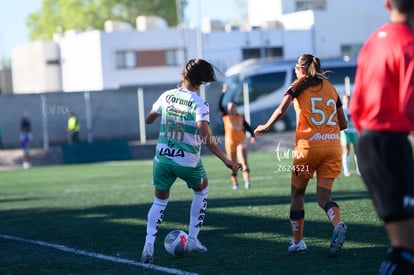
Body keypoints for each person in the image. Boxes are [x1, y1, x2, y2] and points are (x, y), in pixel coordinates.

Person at [140, 58, 241, 264]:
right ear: (201, 81)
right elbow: (204, 134)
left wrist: (154, 117)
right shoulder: (199, 103)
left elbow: (149, 118)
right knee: (201, 189)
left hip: (162, 158)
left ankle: (148, 244)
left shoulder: (166, 96)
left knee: (159, 201)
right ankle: (193, 239)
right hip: (187, 161)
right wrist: (226, 160)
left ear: (182, 75)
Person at [254, 54, 348, 256]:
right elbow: (344, 124)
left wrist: (266, 126)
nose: (296, 72)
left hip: (307, 149)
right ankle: (338, 223)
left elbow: (281, 109)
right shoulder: (330, 88)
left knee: (297, 195)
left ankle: (298, 242)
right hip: (332, 149)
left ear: (302, 70)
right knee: (324, 197)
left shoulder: (297, 85)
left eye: (296, 69)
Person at [349, 0, 414, 273]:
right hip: (390, 147)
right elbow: (409, 107)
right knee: (405, 251)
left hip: (371, 145)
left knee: (405, 247)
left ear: (388, 4)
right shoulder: (409, 43)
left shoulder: (373, 41)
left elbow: (356, 107)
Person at [219, 85, 256, 189]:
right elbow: (220, 106)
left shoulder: (240, 117)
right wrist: (223, 93)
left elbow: (247, 126)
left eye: (233, 106)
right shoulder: (226, 116)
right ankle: (235, 183)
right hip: (230, 143)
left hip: (241, 141)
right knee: (233, 164)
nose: (231, 108)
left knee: (243, 162)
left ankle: (247, 182)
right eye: (230, 107)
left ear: (236, 107)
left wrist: (253, 135)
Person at [340, 94, 359, 177]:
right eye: (345, 99)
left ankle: (359, 169)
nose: (347, 100)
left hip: (354, 131)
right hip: (345, 132)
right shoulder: (342, 110)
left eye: (348, 99)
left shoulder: (353, 109)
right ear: (343, 100)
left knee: (357, 151)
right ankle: (346, 171)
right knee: (346, 151)